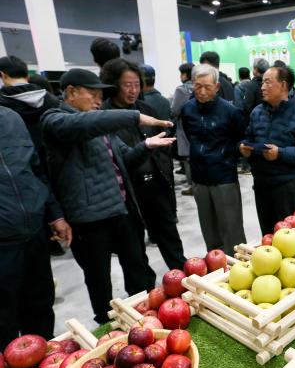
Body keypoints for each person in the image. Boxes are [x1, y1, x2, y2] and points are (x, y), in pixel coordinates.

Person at [41, 68, 175, 324]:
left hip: (121, 209)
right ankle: (106, 324)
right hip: (89, 219)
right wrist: (135, 116)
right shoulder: (56, 120)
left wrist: (145, 147)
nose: (98, 101)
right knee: (99, 278)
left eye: (100, 96)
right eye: (92, 94)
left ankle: (144, 317)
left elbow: (124, 157)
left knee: (137, 267)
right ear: (71, 92)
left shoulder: (97, 122)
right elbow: (84, 125)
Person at [100, 58, 186, 271]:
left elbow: (163, 140)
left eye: (137, 84)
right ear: (113, 85)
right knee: (134, 252)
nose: (133, 90)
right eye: (127, 85)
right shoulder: (104, 116)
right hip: (128, 194)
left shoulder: (146, 108)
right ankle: (142, 292)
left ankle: (183, 282)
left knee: (170, 240)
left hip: (156, 185)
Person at [0, 106, 72, 349]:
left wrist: (55, 214)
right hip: (3, 245)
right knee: (4, 316)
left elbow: (36, 170)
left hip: (34, 233)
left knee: (41, 304)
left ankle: (42, 363)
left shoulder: (11, 118)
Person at [240, 66, 295, 235]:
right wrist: (245, 149)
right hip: (261, 184)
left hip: (286, 187)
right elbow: (248, 137)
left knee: (286, 236)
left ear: (283, 85)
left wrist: (280, 153)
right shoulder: (257, 112)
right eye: (262, 82)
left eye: (267, 82)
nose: (262, 87)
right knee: (267, 235)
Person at [0, 56, 64, 255]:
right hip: (55, 164)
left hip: (23, 180)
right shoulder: (51, 100)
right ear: (27, 74)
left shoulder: (6, 107)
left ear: (2, 76)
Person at [181, 64, 247, 254]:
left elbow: (239, 138)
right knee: (209, 230)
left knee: (231, 230)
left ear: (217, 87)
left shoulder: (230, 111)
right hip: (200, 179)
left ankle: (237, 267)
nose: (201, 91)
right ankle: (215, 267)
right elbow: (189, 135)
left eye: (207, 87)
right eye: (197, 86)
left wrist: (228, 156)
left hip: (224, 177)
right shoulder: (188, 110)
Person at [172, 63, 195, 195]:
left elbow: (175, 110)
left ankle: (192, 185)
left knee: (188, 159)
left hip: (184, 128)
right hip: (199, 127)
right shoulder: (198, 86)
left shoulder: (181, 90)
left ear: (185, 74)